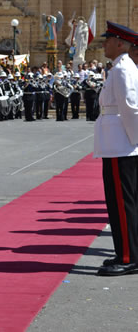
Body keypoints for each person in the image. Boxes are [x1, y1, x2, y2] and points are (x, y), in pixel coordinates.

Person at [93, 21, 138, 277]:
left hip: (122, 145)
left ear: (120, 43)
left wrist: (134, 141)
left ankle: (129, 257)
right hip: (117, 144)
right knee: (121, 203)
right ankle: (126, 251)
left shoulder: (122, 69)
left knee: (122, 204)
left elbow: (131, 109)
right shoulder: (120, 67)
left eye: (108, 40)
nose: (104, 44)